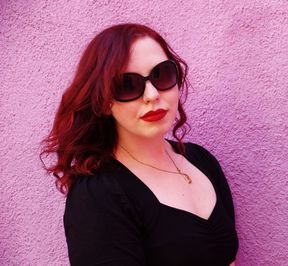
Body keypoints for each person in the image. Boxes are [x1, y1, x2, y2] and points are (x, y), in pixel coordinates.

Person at [41, 23, 238, 266]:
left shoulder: (201, 161)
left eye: (162, 74)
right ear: (102, 102)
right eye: (127, 85)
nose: (152, 94)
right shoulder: (97, 195)